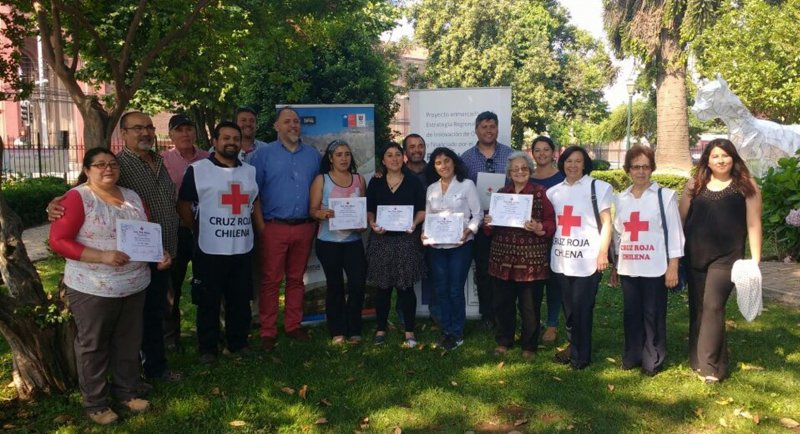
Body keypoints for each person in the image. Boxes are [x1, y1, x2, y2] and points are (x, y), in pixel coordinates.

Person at [48, 111, 182, 382]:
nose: (145, 133)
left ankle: (149, 367)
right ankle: (151, 369)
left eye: (148, 128)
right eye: (137, 128)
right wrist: (53, 205)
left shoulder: (158, 160)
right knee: (141, 320)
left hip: (160, 253)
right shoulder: (115, 164)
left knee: (156, 312)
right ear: (123, 133)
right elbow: (82, 193)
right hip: (125, 261)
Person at [49, 148, 171, 425]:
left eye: (112, 164)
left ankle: (127, 391)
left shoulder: (132, 197)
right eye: (100, 164)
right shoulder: (77, 198)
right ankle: (96, 403)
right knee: (93, 345)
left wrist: (159, 254)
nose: (107, 169)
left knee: (128, 341)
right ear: (87, 169)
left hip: (134, 283)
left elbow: (146, 233)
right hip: (93, 287)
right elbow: (59, 241)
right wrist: (102, 256)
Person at [178, 121, 264, 364]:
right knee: (208, 299)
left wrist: (261, 229)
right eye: (225, 138)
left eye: (235, 138)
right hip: (209, 247)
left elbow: (254, 200)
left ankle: (239, 342)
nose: (231, 142)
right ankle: (208, 347)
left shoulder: (249, 171)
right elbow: (184, 204)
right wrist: (196, 229)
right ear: (214, 142)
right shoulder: (198, 170)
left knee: (240, 298)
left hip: (241, 246)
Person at [679, 138, 761, 383]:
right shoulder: (696, 184)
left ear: (733, 158)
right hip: (694, 254)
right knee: (699, 307)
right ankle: (698, 357)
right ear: (708, 160)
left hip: (727, 259)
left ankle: (711, 367)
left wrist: (755, 259)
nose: (721, 160)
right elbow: (681, 218)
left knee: (714, 307)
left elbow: (754, 223)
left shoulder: (746, 185)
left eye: (725, 155)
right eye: (715, 156)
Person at [250, 107, 321, 352]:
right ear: (276, 127)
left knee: (296, 280)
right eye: (287, 121)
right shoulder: (262, 155)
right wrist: (261, 227)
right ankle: (268, 330)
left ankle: (293, 325)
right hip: (274, 227)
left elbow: (321, 188)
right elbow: (253, 194)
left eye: (296, 121)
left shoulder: (312, 155)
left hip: (303, 227)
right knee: (270, 281)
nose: (293, 125)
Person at [610, 145, 684, 376]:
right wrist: (616, 264)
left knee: (653, 313)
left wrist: (673, 266)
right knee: (631, 312)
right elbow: (618, 234)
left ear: (652, 168)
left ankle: (653, 357)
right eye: (635, 167)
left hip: (655, 267)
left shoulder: (665, 196)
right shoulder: (621, 199)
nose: (640, 171)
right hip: (629, 266)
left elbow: (674, 232)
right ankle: (632, 354)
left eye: (645, 166)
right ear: (628, 170)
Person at [547, 145, 613, 369]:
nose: (572, 165)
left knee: (583, 308)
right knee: (570, 309)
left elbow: (607, 223)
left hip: (588, 258)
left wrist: (603, 252)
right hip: (562, 257)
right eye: (568, 161)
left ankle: (580, 357)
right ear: (562, 163)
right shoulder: (553, 192)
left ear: (585, 163)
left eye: (577, 161)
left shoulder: (599, 187)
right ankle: (573, 346)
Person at [483, 151, 555, 358]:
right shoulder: (501, 193)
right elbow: (490, 228)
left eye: (524, 168)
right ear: (509, 172)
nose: (520, 172)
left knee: (529, 306)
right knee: (502, 303)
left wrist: (539, 225)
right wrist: (488, 222)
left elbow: (551, 223)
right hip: (502, 258)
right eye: (515, 169)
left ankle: (529, 345)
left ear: (530, 170)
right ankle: (504, 340)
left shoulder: (541, 193)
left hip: (530, 260)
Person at [366, 142, 426, 348]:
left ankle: (409, 330)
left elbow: (421, 210)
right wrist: (372, 223)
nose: (394, 158)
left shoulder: (414, 182)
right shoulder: (375, 182)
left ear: (404, 158)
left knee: (405, 287)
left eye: (398, 154)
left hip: (406, 240)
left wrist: (414, 223)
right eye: (389, 155)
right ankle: (381, 329)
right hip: (381, 240)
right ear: (383, 160)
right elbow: (370, 209)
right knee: (382, 288)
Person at [422, 147, 481, 350]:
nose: (443, 166)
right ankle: (446, 330)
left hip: (461, 245)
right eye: (438, 163)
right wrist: (424, 232)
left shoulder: (467, 185)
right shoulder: (431, 189)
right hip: (436, 246)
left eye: (447, 161)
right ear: (434, 166)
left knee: (455, 290)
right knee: (441, 290)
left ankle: (457, 333)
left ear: (454, 162)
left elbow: (478, 215)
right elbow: (429, 218)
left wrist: (468, 231)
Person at [309, 140, 367, 344]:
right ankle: (338, 330)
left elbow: (363, 211)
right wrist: (321, 213)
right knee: (335, 286)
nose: (344, 158)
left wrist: (362, 224)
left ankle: (354, 328)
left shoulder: (359, 180)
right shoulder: (321, 180)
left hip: (353, 241)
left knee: (358, 285)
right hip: (328, 242)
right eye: (339, 154)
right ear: (331, 159)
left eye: (347, 154)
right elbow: (312, 210)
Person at [460, 111, 515, 328]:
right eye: (484, 127)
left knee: (506, 269)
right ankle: (487, 315)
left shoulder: (510, 155)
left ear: (498, 129)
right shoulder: (465, 158)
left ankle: (505, 313)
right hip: (481, 225)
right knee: (483, 270)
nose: (488, 130)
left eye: (492, 126)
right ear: (476, 130)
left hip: (506, 223)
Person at [161, 114, 209, 351]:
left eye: (189, 129)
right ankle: (171, 338)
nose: (185, 134)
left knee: (209, 282)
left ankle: (210, 331)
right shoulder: (161, 160)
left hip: (206, 231)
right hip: (175, 231)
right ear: (170, 134)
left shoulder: (208, 159)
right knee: (172, 286)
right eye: (179, 130)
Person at [528, 136, 566, 344]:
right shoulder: (526, 176)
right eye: (537, 150)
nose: (541, 154)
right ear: (532, 153)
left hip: (555, 236)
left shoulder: (562, 178)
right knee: (532, 282)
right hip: (530, 239)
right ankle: (533, 322)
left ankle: (552, 324)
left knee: (553, 281)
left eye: (546, 150)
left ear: (554, 152)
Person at [235, 106, 269, 325]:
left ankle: (257, 315)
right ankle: (234, 314)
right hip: (231, 222)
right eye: (243, 120)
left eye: (251, 120)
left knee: (259, 268)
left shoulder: (267, 150)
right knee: (234, 270)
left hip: (260, 219)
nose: (248, 124)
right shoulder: (220, 149)